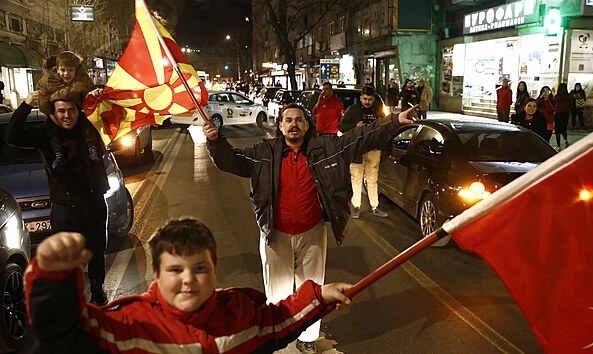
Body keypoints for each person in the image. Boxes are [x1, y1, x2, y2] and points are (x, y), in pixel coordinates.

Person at [203, 101, 416, 353]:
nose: (294, 124)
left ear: (307, 125)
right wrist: (216, 141)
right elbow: (231, 160)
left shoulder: (327, 148)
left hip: (312, 233)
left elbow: (361, 137)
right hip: (275, 234)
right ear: (279, 126)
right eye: (288, 120)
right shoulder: (264, 152)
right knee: (277, 291)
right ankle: (279, 334)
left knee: (313, 287)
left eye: (299, 120)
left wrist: (394, 121)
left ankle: (308, 338)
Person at [25, 218, 353, 353]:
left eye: (199, 268)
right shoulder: (128, 325)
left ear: (214, 269)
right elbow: (63, 333)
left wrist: (319, 296)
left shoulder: (239, 314)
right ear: (156, 273)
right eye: (175, 269)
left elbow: (278, 321)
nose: (187, 280)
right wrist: (52, 278)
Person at [5, 89, 109, 306]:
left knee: (96, 251)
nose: (67, 115)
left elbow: (111, 115)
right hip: (64, 206)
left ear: (78, 111)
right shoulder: (45, 135)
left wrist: (98, 96)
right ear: (53, 113)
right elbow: (12, 136)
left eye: (71, 110)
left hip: (92, 203)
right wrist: (26, 104)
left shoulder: (90, 128)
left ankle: (97, 289)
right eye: (61, 111)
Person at [339, 86, 388, 219]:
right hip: (357, 151)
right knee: (356, 179)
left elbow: (384, 127)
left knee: (373, 180)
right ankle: (356, 206)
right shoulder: (353, 110)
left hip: (373, 149)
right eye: (365, 99)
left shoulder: (378, 111)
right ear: (361, 98)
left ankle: (374, 206)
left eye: (370, 99)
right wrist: (355, 126)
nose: (367, 102)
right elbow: (341, 126)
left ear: (374, 99)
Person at [36, 51, 97, 116]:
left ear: (76, 70)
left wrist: (93, 95)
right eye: (62, 70)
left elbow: (89, 100)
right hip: (54, 117)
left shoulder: (84, 80)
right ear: (57, 69)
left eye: (70, 70)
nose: (66, 73)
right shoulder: (47, 80)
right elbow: (42, 101)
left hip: (77, 116)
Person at [554, 83, 574, 150]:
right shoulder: (569, 97)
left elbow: (554, 105)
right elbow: (571, 106)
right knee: (563, 128)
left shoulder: (557, 97)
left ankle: (558, 146)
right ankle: (565, 140)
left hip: (558, 114)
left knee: (557, 131)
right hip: (566, 113)